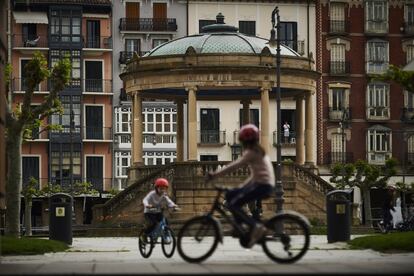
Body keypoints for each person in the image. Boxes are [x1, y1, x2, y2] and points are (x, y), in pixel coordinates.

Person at [207, 124, 275, 248]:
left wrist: (215, 175)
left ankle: (256, 227)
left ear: (244, 140)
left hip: (262, 186)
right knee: (230, 194)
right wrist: (241, 187)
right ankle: (240, 227)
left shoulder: (251, 152)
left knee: (232, 204)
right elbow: (255, 175)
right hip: (262, 184)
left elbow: (235, 165)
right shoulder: (258, 151)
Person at [141, 178, 178, 242]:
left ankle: (165, 234)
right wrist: (147, 205)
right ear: (156, 188)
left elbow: (169, 201)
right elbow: (145, 200)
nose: (162, 190)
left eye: (164, 188)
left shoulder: (164, 195)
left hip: (158, 212)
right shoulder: (152, 194)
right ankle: (144, 235)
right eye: (161, 188)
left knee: (165, 221)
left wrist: (174, 205)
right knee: (153, 223)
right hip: (149, 212)